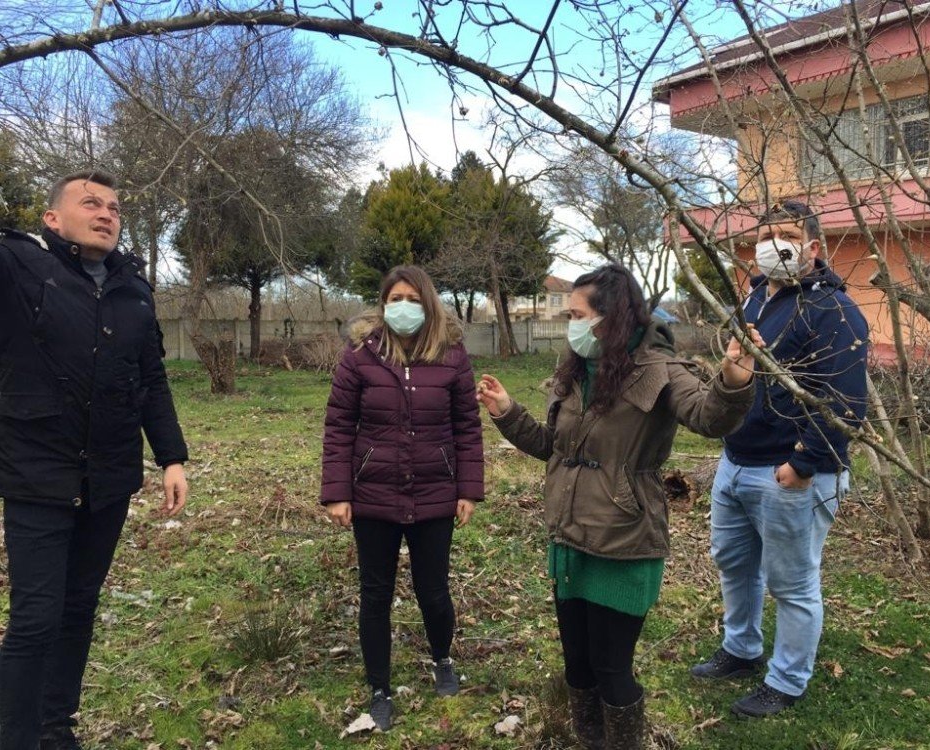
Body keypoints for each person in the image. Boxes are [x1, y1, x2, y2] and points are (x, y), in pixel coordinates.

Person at [476, 264, 760, 749]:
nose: (572, 324)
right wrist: (508, 413)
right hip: (570, 538)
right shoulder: (576, 371)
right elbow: (556, 447)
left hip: (624, 540)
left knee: (611, 668)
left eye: (578, 314)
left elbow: (709, 417)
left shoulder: (661, 370)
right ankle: (591, 741)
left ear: (614, 317)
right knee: (578, 666)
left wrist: (733, 381)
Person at [0, 170, 189, 750]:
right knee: (35, 617)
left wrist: (172, 457)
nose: (107, 213)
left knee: (80, 606)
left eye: (113, 206)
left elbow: (151, 378)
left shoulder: (133, 289)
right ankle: (16, 736)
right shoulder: (17, 267)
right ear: (52, 218)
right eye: (90, 203)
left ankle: (56, 727)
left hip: (108, 475)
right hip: (37, 474)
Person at [691, 201, 868, 718]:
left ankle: (787, 680)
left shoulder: (834, 311)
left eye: (786, 235)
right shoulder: (753, 301)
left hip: (790, 472)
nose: (773, 244)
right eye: (764, 235)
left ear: (814, 246)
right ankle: (741, 649)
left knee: (792, 583)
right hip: (736, 460)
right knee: (735, 564)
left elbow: (845, 400)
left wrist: (806, 462)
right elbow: (740, 377)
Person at [321, 265, 484, 732]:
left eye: (412, 298)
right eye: (395, 299)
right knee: (375, 595)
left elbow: (467, 429)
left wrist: (468, 488)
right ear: (383, 304)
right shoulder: (359, 357)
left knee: (433, 589)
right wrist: (337, 491)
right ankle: (379, 688)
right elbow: (338, 427)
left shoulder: (452, 357)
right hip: (373, 494)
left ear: (427, 302)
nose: (403, 307)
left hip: (436, 491)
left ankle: (442, 658)